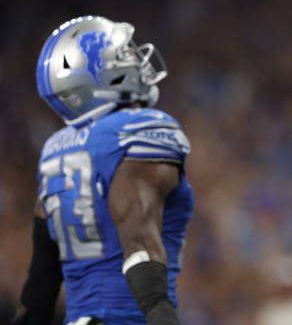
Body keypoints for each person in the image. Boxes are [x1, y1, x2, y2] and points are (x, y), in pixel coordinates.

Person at [12, 16, 193, 325]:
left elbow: (39, 287)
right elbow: (140, 246)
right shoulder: (141, 129)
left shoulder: (55, 151)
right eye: (124, 54)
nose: (136, 59)